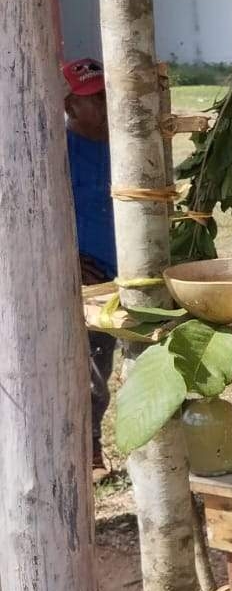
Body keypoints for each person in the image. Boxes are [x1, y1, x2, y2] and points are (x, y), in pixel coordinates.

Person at [63, 57, 114, 482]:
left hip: (126, 275)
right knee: (89, 373)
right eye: (94, 99)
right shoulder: (56, 153)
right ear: (70, 105)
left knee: (106, 366)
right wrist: (70, 260)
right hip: (84, 282)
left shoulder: (127, 147)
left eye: (106, 96)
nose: (104, 106)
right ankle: (87, 452)